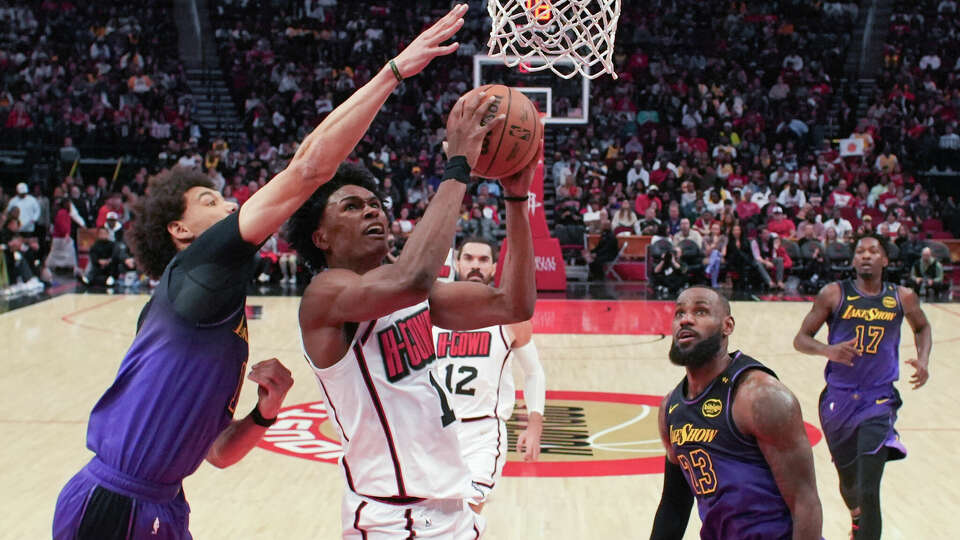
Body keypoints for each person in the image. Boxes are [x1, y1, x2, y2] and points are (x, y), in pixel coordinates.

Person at [52, 6, 470, 538]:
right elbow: (307, 169)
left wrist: (265, 413)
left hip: (165, 506)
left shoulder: (210, 314)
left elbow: (220, 455)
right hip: (115, 502)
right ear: (180, 231)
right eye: (209, 199)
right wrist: (393, 72)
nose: (229, 203)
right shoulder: (198, 265)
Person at [287, 87, 538, 537]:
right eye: (351, 206)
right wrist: (458, 164)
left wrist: (517, 201)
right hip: (388, 518)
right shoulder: (325, 296)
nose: (372, 212)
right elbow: (411, 278)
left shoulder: (411, 293)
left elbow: (512, 304)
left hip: (453, 508)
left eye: (374, 204)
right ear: (320, 237)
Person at [650, 286, 822, 539]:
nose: (685, 319)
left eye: (700, 311)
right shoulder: (671, 408)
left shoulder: (761, 396)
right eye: (679, 313)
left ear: (727, 326)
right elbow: (674, 504)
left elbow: (805, 503)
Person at [793, 234, 932, 540]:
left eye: (873, 251)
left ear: (885, 260)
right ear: (853, 260)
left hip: (878, 399)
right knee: (850, 485)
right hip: (838, 400)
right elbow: (801, 339)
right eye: (860, 251)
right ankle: (857, 518)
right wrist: (827, 350)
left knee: (869, 490)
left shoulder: (902, 296)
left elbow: (921, 327)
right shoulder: (833, 294)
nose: (866, 256)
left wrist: (923, 360)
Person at [434, 237, 545, 513]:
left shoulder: (509, 316)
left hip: (481, 433)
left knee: (466, 515)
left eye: (483, 260)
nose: (475, 265)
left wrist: (534, 426)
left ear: (494, 268)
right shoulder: (431, 312)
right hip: (432, 431)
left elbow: (534, 373)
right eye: (469, 258)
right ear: (457, 263)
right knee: (428, 519)